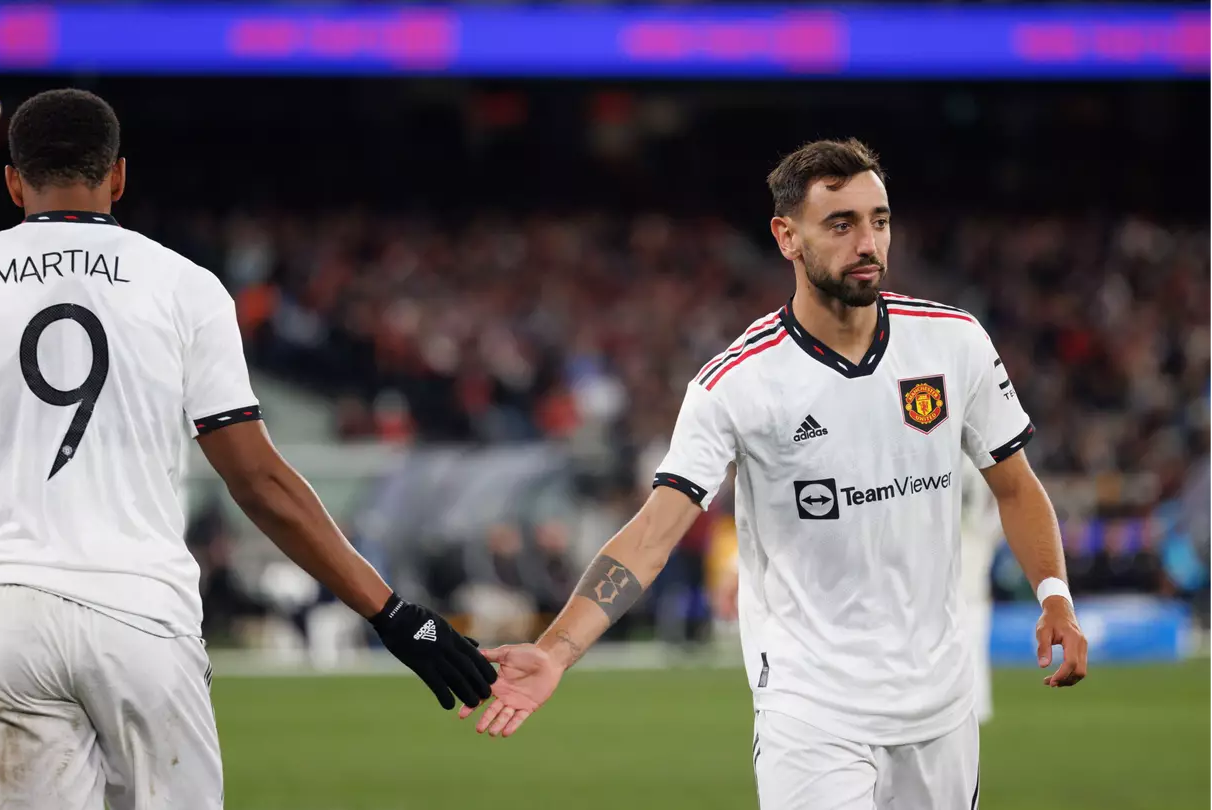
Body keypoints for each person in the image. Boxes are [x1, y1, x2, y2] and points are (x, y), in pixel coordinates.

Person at [0, 88, 494, 810]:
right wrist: (389, 611)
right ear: (118, 177)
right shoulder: (186, 288)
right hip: (144, 618)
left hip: (5, 619)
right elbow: (259, 481)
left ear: (14, 181)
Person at [461, 139, 1088, 809]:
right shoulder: (737, 383)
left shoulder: (953, 342)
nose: (867, 242)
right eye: (840, 224)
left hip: (941, 706)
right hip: (811, 711)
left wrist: (1055, 594)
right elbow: (651, 537)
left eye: (878, 220)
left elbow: (1015, 484)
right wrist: (556, 651)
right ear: (786, 236)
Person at [959, 454, 1002, 725]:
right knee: (974, 653)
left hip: (964, 592)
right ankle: (977, 709)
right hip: (971, 593)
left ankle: (974, 709)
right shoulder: (978, 463)